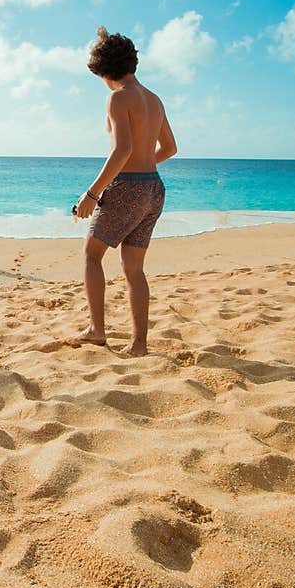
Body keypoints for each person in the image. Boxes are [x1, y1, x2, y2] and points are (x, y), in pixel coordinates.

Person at [72, 28, 177, 354]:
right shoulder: (154, 99)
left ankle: (97, 330)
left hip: (128, 187)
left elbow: (121, 150)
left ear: (105, 70)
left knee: (92, 255)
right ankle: (138, 344)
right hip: (154, 189)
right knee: (134, 269)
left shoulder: (118, 97)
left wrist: (92, 194)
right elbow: (170, 148)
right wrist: (144, 168)